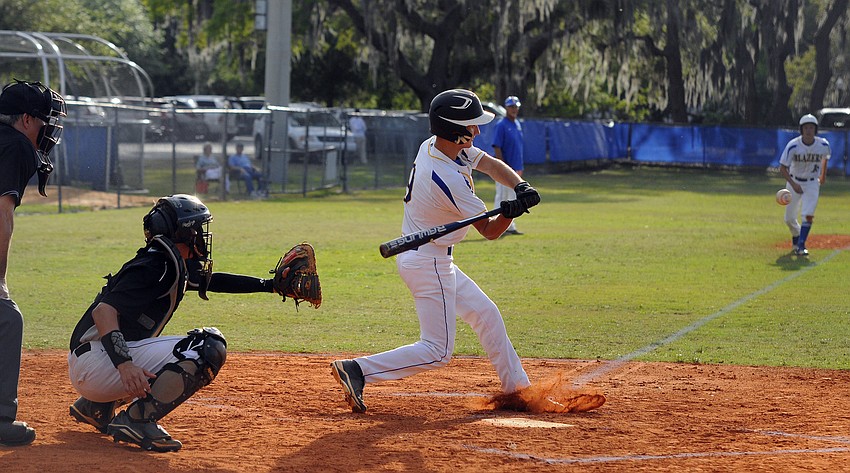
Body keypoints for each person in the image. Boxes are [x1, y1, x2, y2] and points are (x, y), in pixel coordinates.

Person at [330, 89, 540, 413]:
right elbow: (490, 231)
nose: (478, 132)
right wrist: (510, 211)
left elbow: (491, 164)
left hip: (427, 255)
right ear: (456, 132)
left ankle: (518, 390)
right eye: (472, 126)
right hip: (429, 263)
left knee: (487, 315)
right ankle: (358, 370)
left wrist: (520, 188)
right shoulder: (447, 179)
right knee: (438, 350)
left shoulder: (440, 147)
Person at [67, 195, 306, 452]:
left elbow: (212, 281)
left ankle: (96, 407)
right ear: (183, 232)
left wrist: (269, 286)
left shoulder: (166, 261)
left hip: (93, 365)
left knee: (159, 349)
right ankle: (138, 419)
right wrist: (125, 365)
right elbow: (103, 312)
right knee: (207, 346)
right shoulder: (155, 266)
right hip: (98, 365)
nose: (202, 235)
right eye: (197, 228)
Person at [0, 79, 65, 447]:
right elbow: (2, 213)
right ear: (26, 119)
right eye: (44, 120)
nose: (47, 129)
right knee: (6, 318)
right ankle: (0, 417)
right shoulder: (17, 146)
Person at [779, 113, 830, 257]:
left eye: (811, 127)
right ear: (801, 129)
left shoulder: (823, 145)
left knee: (808, 214)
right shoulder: (793, 145)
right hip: (795, 182)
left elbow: (825, 158)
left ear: (816, 130)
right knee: (789, 219)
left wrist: (823, 175)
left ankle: (801, 245)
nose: (809, 130)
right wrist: (793, 184)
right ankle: (797, 235)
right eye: (806, 127)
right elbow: (783, 167)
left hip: (812, 183)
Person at [492, 95, 525, 235]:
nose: (514, 109)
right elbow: (497, 146)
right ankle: (495, 225)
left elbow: (518, 147)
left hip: (516, 167)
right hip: (505, 168)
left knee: (512, 198)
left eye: (516, 106)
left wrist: (520, 167)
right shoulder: (501, 125)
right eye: (511, 107)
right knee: (502, 196)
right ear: (506, 108)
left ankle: (510, 226)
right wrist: (502, 167)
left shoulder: (517, 124)